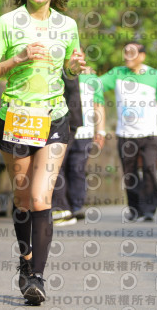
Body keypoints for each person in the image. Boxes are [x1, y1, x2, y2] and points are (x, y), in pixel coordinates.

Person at [0, 0, 85, 305]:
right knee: (23, 199)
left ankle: (37, 278)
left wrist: (73, 67)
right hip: (16, 117)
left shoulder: (68, 26)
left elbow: (70, 70)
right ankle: (25, 264)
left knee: (42, 198)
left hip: (54, 116)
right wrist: (17, 59)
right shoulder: (8, 22)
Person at [100, 41, 157, 222]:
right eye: (125, 52)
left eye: (132, 53)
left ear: (142, 56)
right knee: (129, 172)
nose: (127, 56)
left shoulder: (154, 75)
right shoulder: (117, 73)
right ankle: (135, 209)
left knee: (149, 169)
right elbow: (96, 84)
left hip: (150, 133)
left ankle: (149, 209)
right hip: (126, 134)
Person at [52, 66, 106, 226]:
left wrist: (101, 131)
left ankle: (75, 206)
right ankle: (62, 207)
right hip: (64, 129)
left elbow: (99, 105)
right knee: (58, 166)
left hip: (85, 131)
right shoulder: (57, 74)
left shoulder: (93, 79)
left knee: (77, 169)